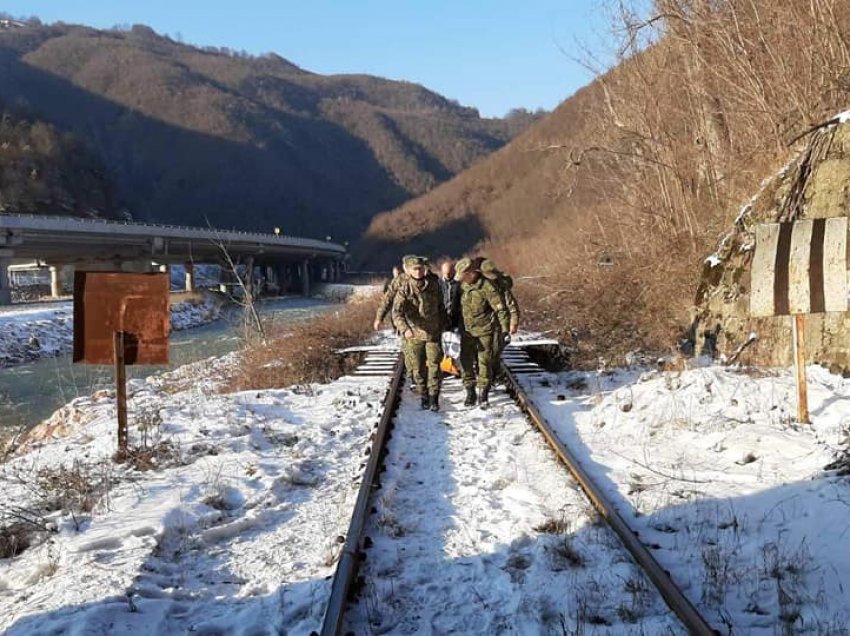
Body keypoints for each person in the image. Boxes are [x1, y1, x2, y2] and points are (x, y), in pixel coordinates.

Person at [392, 256, 447, 411]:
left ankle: (434, 397)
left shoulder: (434, 285)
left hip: (433, 333)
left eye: (421, 268)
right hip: (414, 334)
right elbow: (396, 313)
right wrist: (405, 329)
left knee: (435, 365)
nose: (419, 271)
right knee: (418, 369)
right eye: (415, 269)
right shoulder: (405, 289)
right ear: (409, 271)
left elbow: (441, 306)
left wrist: (445, 324)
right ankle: (423, 394)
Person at [455, 257, 510, 408]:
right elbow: (455, 307)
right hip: (467, 331)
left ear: (472, 273)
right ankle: (470, 391)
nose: (462, 279)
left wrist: (505, 330)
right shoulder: (462, 287)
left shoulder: (487, 287)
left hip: (485, 330)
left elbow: (501, 309)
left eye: (464, 276)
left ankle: (483, 394)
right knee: (465, 361)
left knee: (484, 362)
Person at [480, 259, 520, 374]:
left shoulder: (502, 287)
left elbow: (511, 305)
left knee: (496, 350)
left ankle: (493, 373)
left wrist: (514, 322)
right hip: (482, 323)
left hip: (499, 323)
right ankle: (486, 374)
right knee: (484, 352)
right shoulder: (476, 287)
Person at [374, 262, 408, 331]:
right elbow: (386, 295)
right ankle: (396, 330)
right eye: (395, 272)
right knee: (394, 317)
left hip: (405, 306)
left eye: (398, 272)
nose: (396, 274)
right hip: (393, 303)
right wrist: (379, 318)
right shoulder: (390, 282)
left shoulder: (406, 281)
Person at [438, 261, 461, 330]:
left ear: (454, 272)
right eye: (445, 273)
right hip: (440, 318)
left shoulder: (459, 285)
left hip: (456, 318)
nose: (447, 275)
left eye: (449, 273)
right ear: (442, 272)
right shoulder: (437, 284)